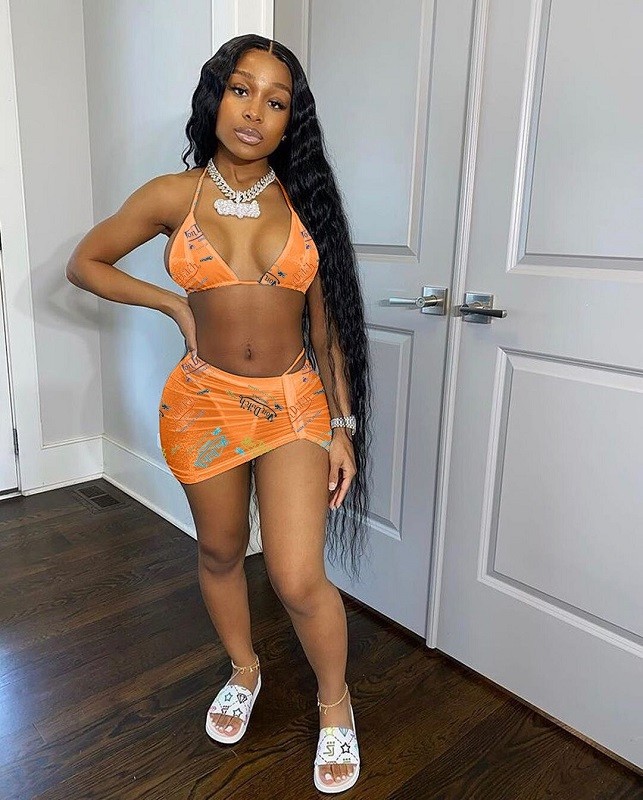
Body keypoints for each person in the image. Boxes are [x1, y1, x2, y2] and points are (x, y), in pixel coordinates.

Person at [66, 33, 372, 793]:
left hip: (294, 405)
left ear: (291, 120)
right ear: (216, 96)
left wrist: (342, 427)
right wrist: (173, 304)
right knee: (220, 552)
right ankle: (244, 668)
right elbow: (85, 263)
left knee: (297, 577)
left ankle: (335, 703)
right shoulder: (174, 196)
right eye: (242, 90)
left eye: (276, 101)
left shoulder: (305, 201)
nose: (255, 111)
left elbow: (328, 335)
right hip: (202, 405)